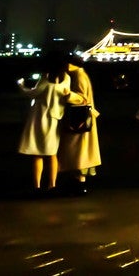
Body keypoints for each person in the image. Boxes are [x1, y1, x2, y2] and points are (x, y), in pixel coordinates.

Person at [17, 55, 71, 194]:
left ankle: (37, 186)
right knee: (52, 154)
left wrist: (21, 84)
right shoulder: (66, 79)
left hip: (40, 119)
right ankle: (52, 185)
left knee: (37, 154)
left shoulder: (45, 78)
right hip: (56, 119)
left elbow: (33, 93)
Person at [57, 53, 101, 193]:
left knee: (78, 151)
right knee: (80, 152)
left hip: (79, 119)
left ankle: (79, 183)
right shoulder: (80, 74)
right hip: (83, 118)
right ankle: (79, 182)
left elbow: (82, 98)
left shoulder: (77, 76)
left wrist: (66, 94)